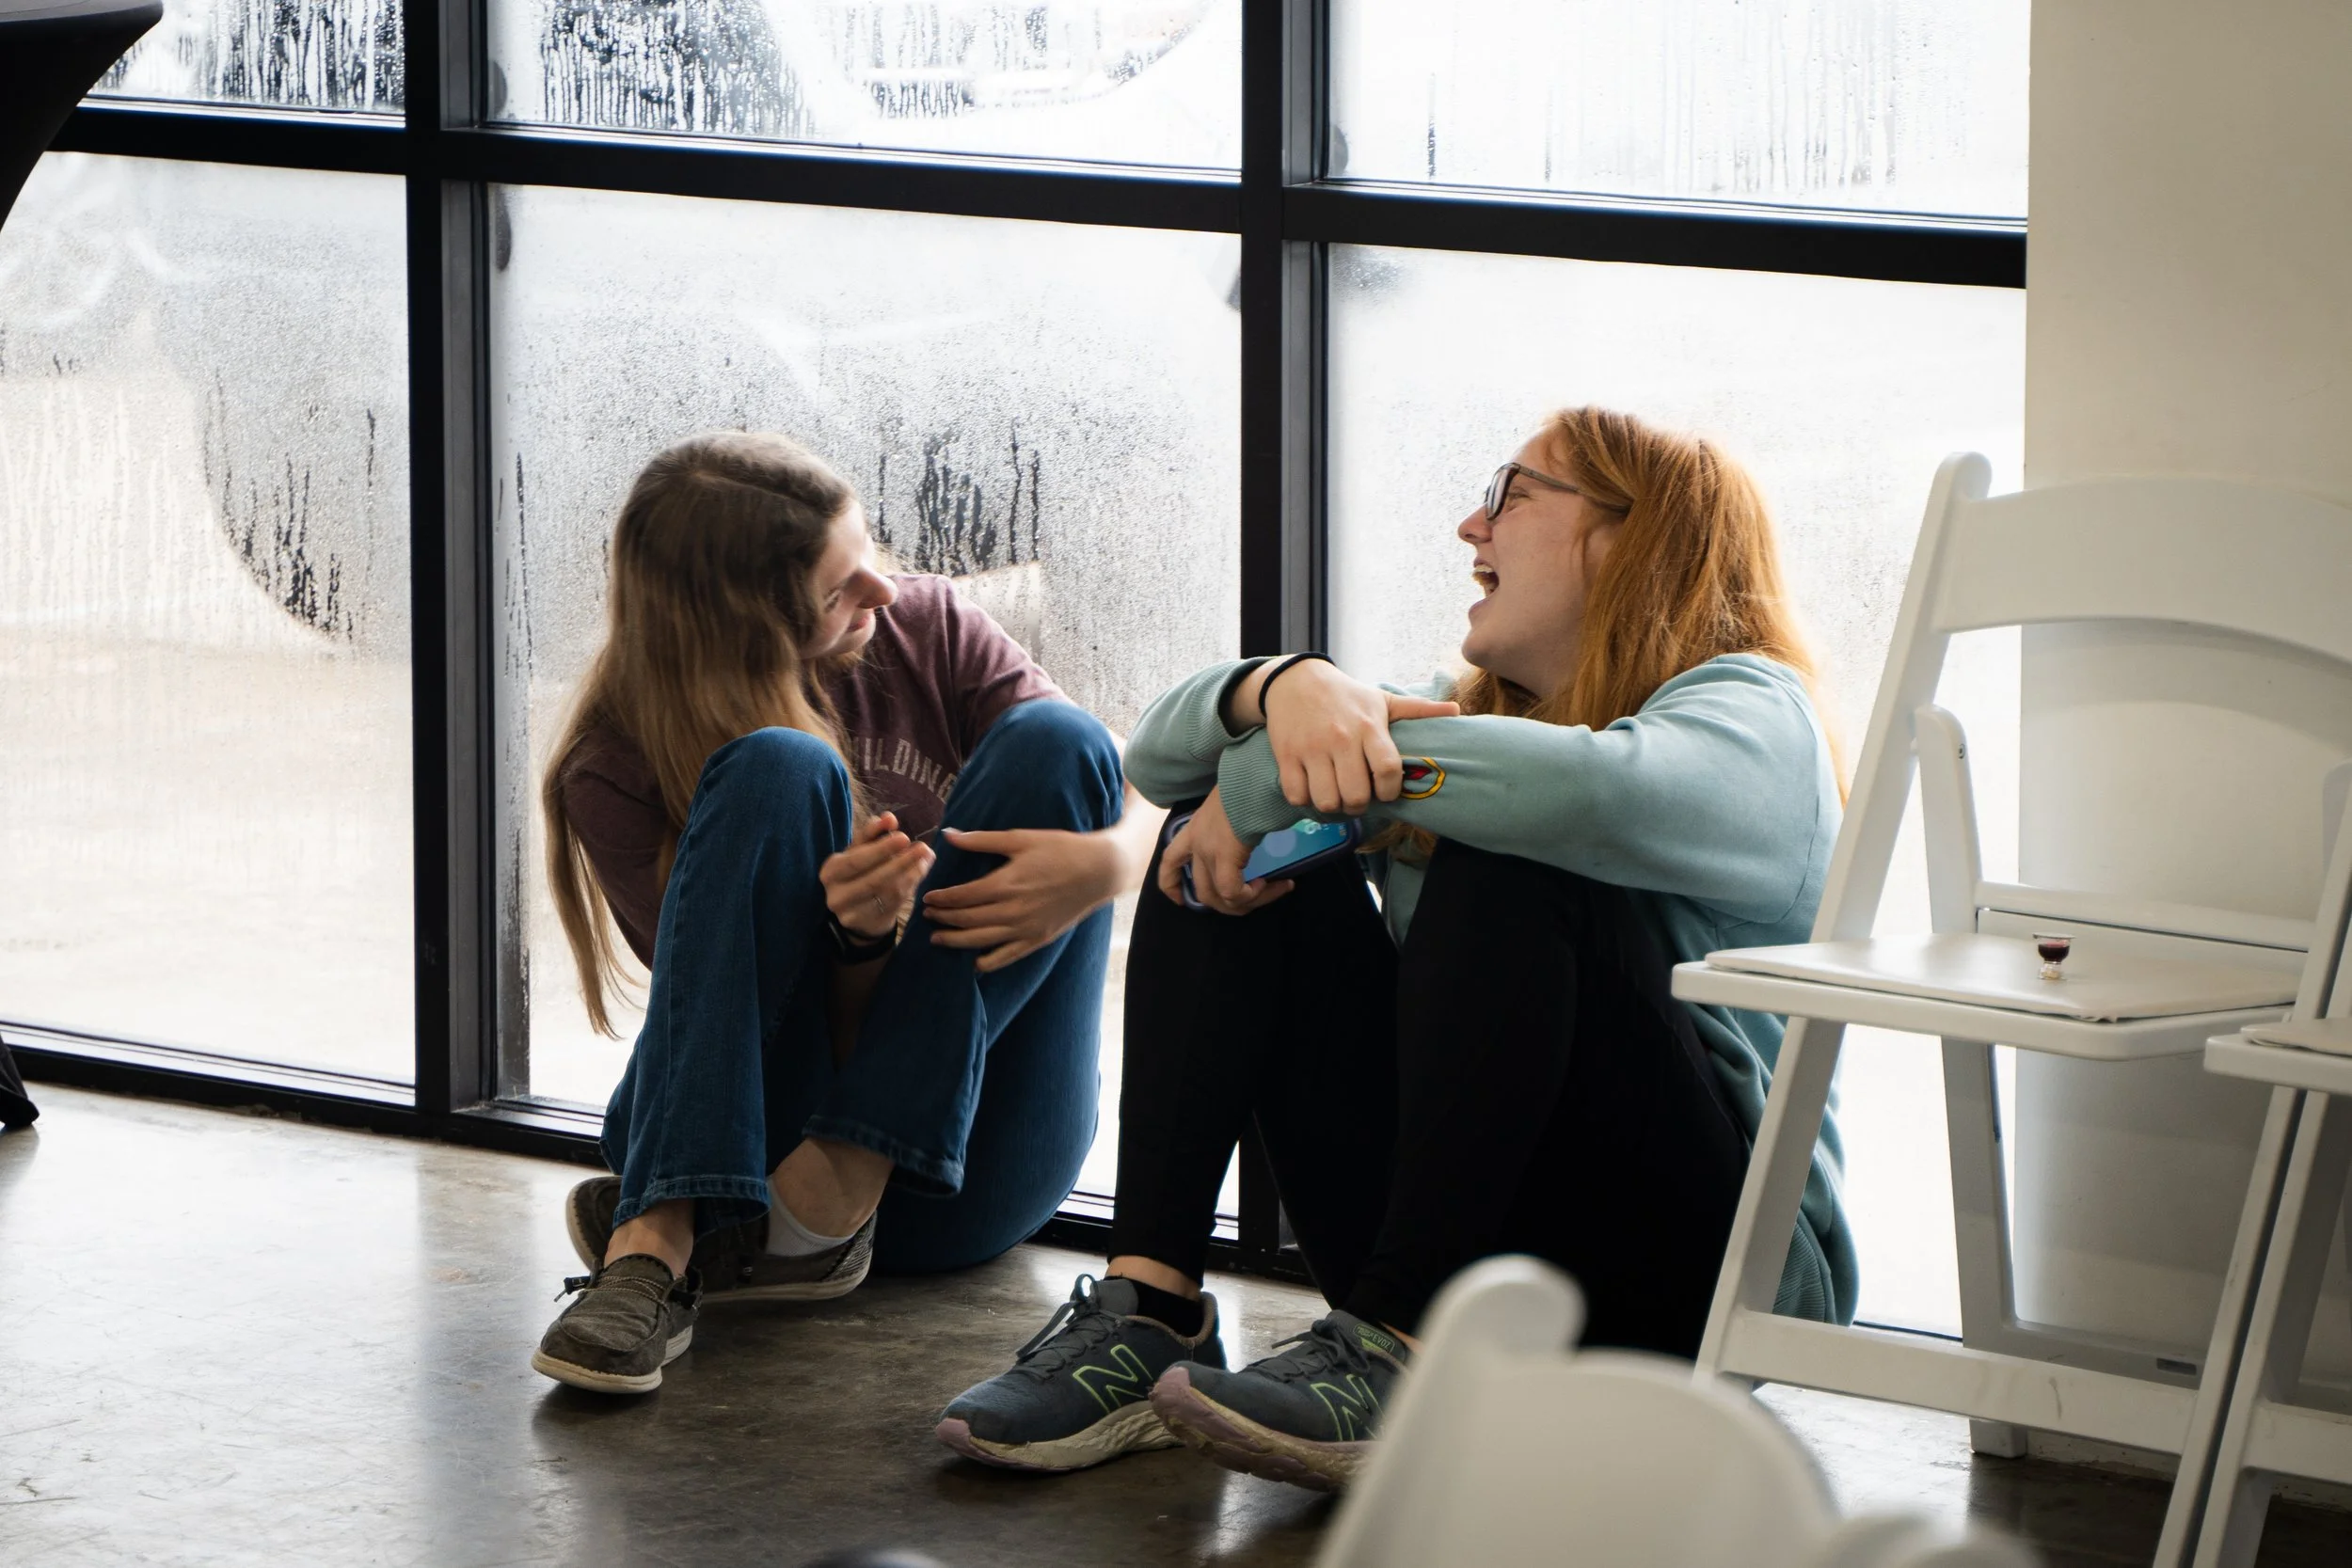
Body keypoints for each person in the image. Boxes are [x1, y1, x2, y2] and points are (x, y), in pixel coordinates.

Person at [936, 406, 1856, 1490]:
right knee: (1233, 859)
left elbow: (1592, 789)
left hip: (1691, 1274)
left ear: (1629, 533)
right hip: (1460, 1237)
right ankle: (1154, 1308)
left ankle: (1402, 1340)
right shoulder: (1468, 717)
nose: (1472, 525)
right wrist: (1281, 690)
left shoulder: (1754, 707)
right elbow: (1162, 754)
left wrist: (1279, 767)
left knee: (1507, 847)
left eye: (1512, 492)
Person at [531, 431, 1163, 1395]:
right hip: (759, 1160)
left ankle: (796, 1200)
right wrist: (859, 943)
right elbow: (724, 1031)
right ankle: (652, 1246)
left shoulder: (926, 624)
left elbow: (1143, 785)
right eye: (839, 590)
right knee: (778, 763)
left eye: (867, 551)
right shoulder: (614, 767)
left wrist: (1109, 863)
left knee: (1062, 738)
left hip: (961, 1166)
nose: (881, 590)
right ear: (745, 627)